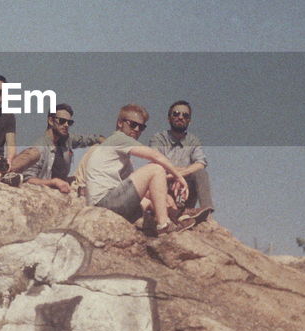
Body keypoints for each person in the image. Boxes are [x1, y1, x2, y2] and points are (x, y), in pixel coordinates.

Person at [82, 104, 191, 234]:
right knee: (156, 169)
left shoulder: (122, 158)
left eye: (141, 127)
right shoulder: (118, 138)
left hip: (108, 204)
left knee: (152, 200)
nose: (137, 129)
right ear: (120, 123)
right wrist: (179, 177)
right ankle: (164, 225)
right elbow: (154, 155)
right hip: (104, 204)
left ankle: (174, 215)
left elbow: (141, 188)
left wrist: (166, 196)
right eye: (133, 125)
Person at [147, 100, 214, 223]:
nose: (180, 117)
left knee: (201, 173)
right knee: (156, 174)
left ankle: (207, 214)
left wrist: (180, 176)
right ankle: (168, 213)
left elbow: (201, 163)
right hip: (164, 186)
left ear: (190, 120)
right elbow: (156, 163)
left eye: (185, 115)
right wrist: (177, 175)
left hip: (184, 191)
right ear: (169, 118)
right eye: (176, 114)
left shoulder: (193, 141)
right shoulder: (158, 139)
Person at [12, 103, 103, 193]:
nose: (66, 125)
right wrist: (53, 182)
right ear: (51, 121)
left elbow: (86, 140)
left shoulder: (66, 139)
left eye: (69, 122)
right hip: (48, 190)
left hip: (66, 184)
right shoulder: (40, 148)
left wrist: (103, 139)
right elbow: (27, 179)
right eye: (62, 121)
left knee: (96, 148)